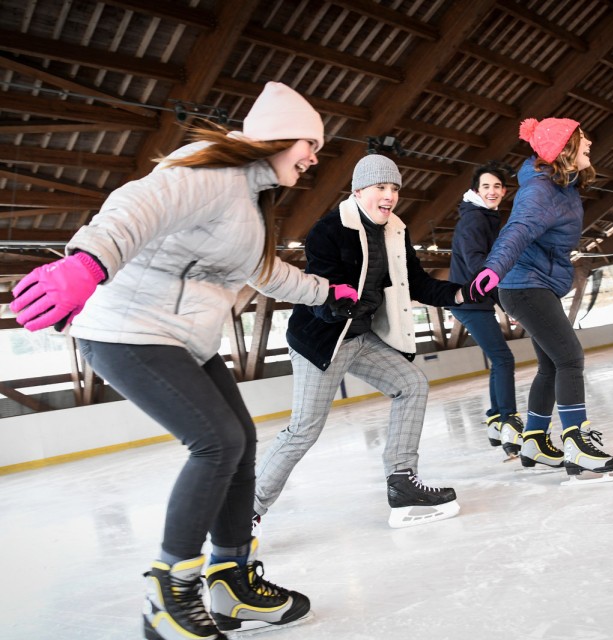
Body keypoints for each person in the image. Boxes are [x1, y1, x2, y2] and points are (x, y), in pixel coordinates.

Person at [9, 81, 360, 640]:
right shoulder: (207, 175)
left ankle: (231, 581)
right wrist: (87, 263)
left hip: (181, 339)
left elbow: (265, 273)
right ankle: (169, 596)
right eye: (309, 144)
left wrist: (327, 293)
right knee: (217, 441)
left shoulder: (248, 201)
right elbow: (138, 206)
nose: (315, 157)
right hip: (127, 329)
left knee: (239, 442)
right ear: (276, 138)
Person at [254, 154, 479, 530]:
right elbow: (318, 293)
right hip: (320, 342)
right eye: (381, 188)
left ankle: (402, 483)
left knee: (411, 385)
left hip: (359, 338)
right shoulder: (329, 230)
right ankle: (248, 510)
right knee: (303, 429)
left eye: (394, 189)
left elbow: (418, 283)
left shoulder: (395, 230)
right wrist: (335, 302)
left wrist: (463, 293)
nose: (389, 196)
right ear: (359, 191)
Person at [467, 117, 613, 484]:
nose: (589, 143)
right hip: (524, 285)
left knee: (553, 364)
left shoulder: (562, 186)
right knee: (570, 357)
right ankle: (576, 442)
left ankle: (535, 440)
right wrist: (493, 269)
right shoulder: (540, 190)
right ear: (564, 147)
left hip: (535, 285)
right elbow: (517, 230)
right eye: (582, 138)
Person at [448, 161, 524, 458]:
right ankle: (508, 420)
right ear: (475, 190)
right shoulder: (474, 220)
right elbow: (479, 266)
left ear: (504, 191)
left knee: (499, 359)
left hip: (473, 301)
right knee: (504, 359)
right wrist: (507, 304)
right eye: (486, 186)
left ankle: (495, 420)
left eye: (497, 186)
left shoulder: (486, 216)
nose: (492, 191)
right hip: (469, 300)